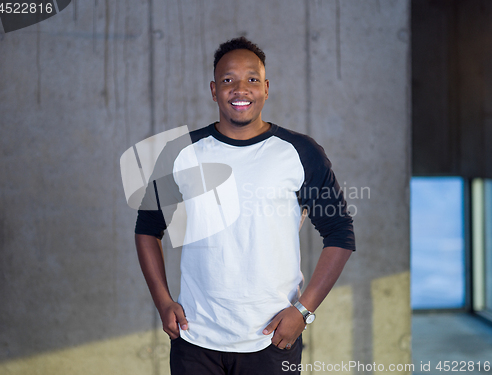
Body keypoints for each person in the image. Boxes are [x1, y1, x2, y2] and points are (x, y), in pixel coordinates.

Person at [134, 36, 355, 375]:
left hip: (271, 340)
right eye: (228, 80)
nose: (241, 89)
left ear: (266, 88)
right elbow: (148, 229)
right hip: (195, 340)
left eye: (252, 79)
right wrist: (163, 302)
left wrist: (304, 311)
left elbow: (340, 233)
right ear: (213, 90)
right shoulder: (181, 152)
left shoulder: (299, 152)